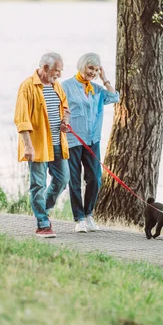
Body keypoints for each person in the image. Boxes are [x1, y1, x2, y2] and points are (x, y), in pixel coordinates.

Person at [14, 51, 71, 238]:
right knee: (38, 184)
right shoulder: (27, 87)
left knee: (62, 180)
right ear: (45, 68)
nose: (59, 75)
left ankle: (43, 209)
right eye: (57, 71)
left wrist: (65, 121)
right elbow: (22, 119)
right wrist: (28, 146)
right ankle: (42, 223)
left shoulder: (57, 86)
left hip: (57, 143)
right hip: (38, 144)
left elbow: (65, 107)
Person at [62, 52, 120, 233]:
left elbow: (114, 97)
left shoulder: (96, 89)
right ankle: (79, 218)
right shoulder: (66, 86)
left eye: (96, 70)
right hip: (73, 139)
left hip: (92, 140)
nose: (92, 72)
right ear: (82, 66)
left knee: (95, 178)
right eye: (90, 68)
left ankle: (89, 215)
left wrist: (105, 79)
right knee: (74, 180)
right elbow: (57, 108)